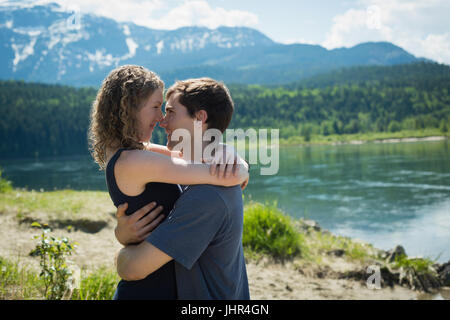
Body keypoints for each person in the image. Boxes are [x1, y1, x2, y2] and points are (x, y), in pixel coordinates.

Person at [88, 65, 249, 300]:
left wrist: (228, 155)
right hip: (149, 289)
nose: (161, 119)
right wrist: (240, 170)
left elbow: (187, 159)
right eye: (156, 107)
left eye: (169, 111)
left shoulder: (138, 153)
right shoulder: (134, 160)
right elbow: (214, 173)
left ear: (200, 118)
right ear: (131, 108)